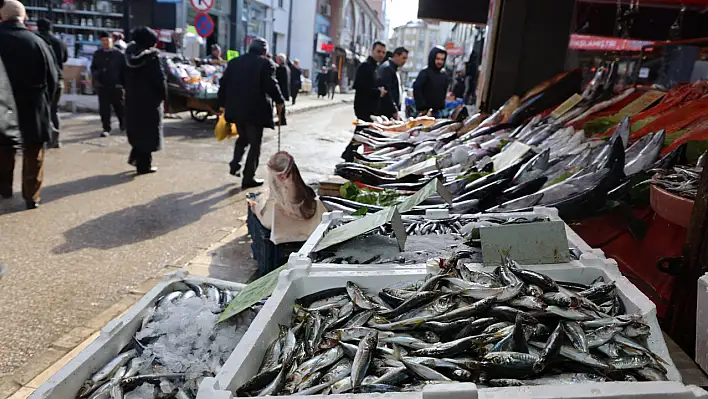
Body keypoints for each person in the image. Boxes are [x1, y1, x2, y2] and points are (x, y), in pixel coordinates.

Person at [0, 0, 58, 209]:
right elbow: (52, 78)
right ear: (24, 18)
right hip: (33, 105)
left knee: (3, 150)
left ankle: (4, 189)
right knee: (33, 152)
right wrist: (46, 104)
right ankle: (31, 197)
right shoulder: (38, 42)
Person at [218, 37, 284, 189]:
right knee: (255, 144)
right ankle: (248, 177)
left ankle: (235, 164)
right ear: (264, 50)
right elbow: (271, 85)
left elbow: (223, 83)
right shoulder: (265, 63)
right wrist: (280, 100)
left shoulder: (235, 62)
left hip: (236, 110)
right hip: (255, 111)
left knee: (243, 137)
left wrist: (222, 105)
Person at [123, 26, 167, 174]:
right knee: (148, 134)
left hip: (132, 100)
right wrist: (164, 97)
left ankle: (135, 159)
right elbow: (159, 81)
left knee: (137, 131)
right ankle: (143, 166)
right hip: (149, 102)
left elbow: (121, 77)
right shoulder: (152, 58)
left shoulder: (127, 54)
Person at [36, 18, 67, 148]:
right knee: (54, 110)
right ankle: (56, 140)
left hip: (41, 80)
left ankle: (43, 138)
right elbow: (65, 58)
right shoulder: (59, 42)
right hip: (58, 79)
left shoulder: (36, 40)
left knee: (41, 110)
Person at [91, 31, 125, 137]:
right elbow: (93, 67)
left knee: (120, 108)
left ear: (112, 41)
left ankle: (124, 125)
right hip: (103, 86)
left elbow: (125, 70)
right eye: (103, 41)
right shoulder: (98, 54)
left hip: (117, 86)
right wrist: (96, 76)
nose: (105, 42)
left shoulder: (119, 54)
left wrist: (123, 83)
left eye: (107, 40)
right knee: (104, 110)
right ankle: (106, 128)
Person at [353, 41, 387, 122]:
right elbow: (359, 86)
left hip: (372, 109)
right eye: (378, 51)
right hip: (364, 108)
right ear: (372, 51)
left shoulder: (376, 67)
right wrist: (378, 92)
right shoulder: (365, 66)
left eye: (383, 52)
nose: (381, 55)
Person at [413, 46, 449, 117]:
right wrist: (423, 107)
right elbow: (417, 90)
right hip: (424, 113)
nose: (440, 62)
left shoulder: (443, 74)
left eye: (442, 59)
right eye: (438, 59)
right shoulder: (424, 73)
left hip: (438, 112)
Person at [378, 46, 408, 119]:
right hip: (386, 111)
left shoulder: (393, 68)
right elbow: (387, 91)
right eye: (403, 58)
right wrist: (393, 109)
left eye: (406, 58)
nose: (405, 61)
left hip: (391, 110)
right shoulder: (388, 68)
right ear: (396, 56)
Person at [274, 53, 290, 125]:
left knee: (280, 107)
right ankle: (281, 119)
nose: (276, 60)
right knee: (281, 106)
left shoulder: (281, 68)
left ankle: (282, 120)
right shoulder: (286, 67)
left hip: (281, 89)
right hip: (284, 89)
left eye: (277, 59)